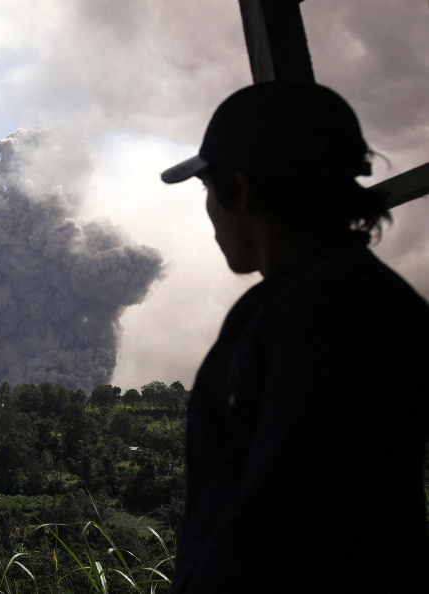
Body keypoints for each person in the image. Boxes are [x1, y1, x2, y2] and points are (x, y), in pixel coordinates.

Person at [160, 82, 429, 592]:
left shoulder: (320, 315)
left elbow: (283, 525)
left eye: (207, 191)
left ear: (239, 189)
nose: (211, 215)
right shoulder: (363, 299)